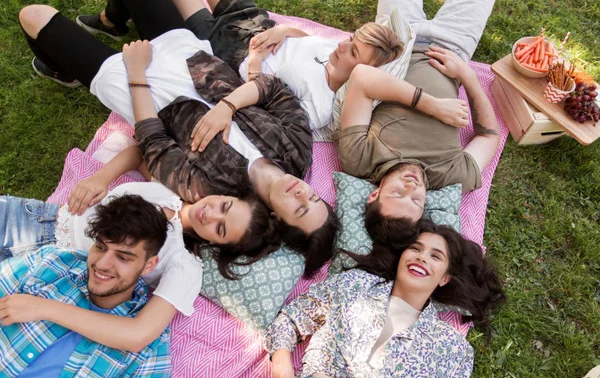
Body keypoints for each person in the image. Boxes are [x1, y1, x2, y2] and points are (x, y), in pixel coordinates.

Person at [19, 4, 337, 276]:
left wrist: (136, 71)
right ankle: (112, 19)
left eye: (299, 209)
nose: (302, 194)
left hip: (148, 91)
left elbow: (152, 142)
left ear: (277, 219)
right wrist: (227, 106)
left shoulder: (214, 192)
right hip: (196, 62)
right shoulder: (298, 150)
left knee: (33, 16)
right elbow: (272, 88)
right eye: (313, 198)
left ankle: (63, 71)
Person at [74, 0, 408, 131]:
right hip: (254, 24)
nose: (341, 43)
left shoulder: (319, 105)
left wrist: (257, 62)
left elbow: (264, 109)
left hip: (229, 51)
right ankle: (114, 17)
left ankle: (111, 19)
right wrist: (282, 29)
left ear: (360, 73)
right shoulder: (332, 50)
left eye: (352, 51)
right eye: (351, 38)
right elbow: (304, 35)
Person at [264, 219, 505, 378]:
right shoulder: (355, 285)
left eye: (436, 256)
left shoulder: (450, 346)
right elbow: (290, 321)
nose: (422, 257)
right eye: (416, 249)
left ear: (444, 278)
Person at [333, 0, 501, 224]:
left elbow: (362, 77)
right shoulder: (452, 178)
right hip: (453, 48)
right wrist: (467, 75)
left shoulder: (359, 161)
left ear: (374, 195)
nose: (410, 187)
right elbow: (489, 136)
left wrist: (433, 106)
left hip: (394, 40)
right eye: (415, 201)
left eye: (398, 194)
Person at [0, 194, 171, 378]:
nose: (102, 264)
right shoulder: (53, 263)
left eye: (123, 257)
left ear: (149, 265)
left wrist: (43, 308)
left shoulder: (150, 346)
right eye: (100, 247)